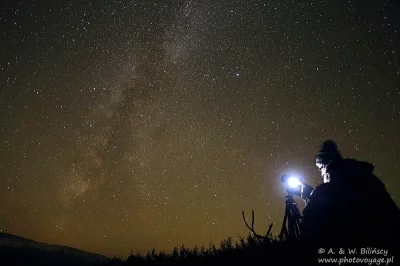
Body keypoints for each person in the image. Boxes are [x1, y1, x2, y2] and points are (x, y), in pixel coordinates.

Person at [299, 140, 400, 249]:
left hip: (357, 245)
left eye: (320, 168)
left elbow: (311, 222)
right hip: (390, 239)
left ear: (326, 166)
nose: (321, 173)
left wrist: (313, 195)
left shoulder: (330, 188)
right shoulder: (367, 178)